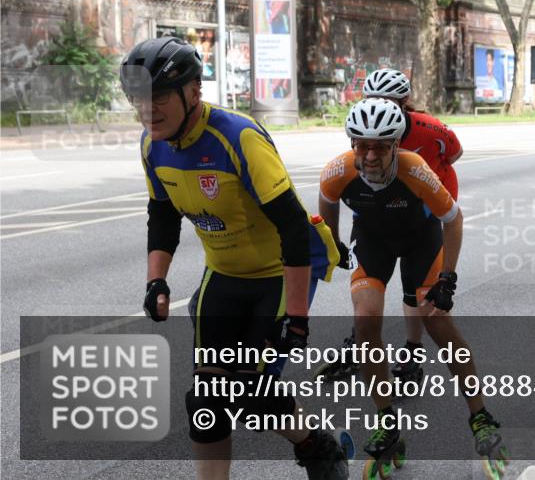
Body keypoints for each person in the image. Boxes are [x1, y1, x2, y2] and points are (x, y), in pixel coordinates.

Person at [121, 36, 348, 480]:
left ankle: (317, 447)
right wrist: (156, 281)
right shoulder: (152, 147)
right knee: (205, 400)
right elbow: (162, 216)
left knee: (250, 393)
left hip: (280, 273)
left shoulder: (237, 137)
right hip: (224, 275)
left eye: (160, 96)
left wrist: (297, 317)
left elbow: (292, 227)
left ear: (193, 92)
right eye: (138, 100)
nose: (149, 109)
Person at [318, 98, 505, 474]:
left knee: (435, 321)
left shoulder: (414, 169)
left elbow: (453, 219)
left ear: (395, 145)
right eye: (362, 145)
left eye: (380, 147)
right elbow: (326, 202)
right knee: (366, 320)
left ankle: (480, 416)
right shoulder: (337, 169)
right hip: (373, 241)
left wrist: (448, 278)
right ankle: (388, 423)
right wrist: (334, 244)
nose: (369, 155)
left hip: (421, 241)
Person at [316, 69, 463, 384]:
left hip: (422, 205)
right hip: (377, 215)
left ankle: (412, 351)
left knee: (416, 294)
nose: (380, 107)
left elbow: (455, 153)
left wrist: (426, 182)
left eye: (389, 101)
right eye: (373, 100)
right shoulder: (365, 133)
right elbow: (331, 190)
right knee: (368, 298)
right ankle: (361, 338)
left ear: (404, 103)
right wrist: (333, 242)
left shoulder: (427, 129)